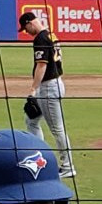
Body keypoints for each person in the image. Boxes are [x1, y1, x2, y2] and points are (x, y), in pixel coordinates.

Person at [19, 11, 75, 178]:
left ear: (30, 22)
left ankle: (68, 166)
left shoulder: (41, 38)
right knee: (31, 120)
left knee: (57, 128)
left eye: (25, 28)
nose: (26, 31)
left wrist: (32, 89)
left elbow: (41, 65)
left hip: (49, 87)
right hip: (55, 83)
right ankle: (39, 158)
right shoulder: (51, 34)